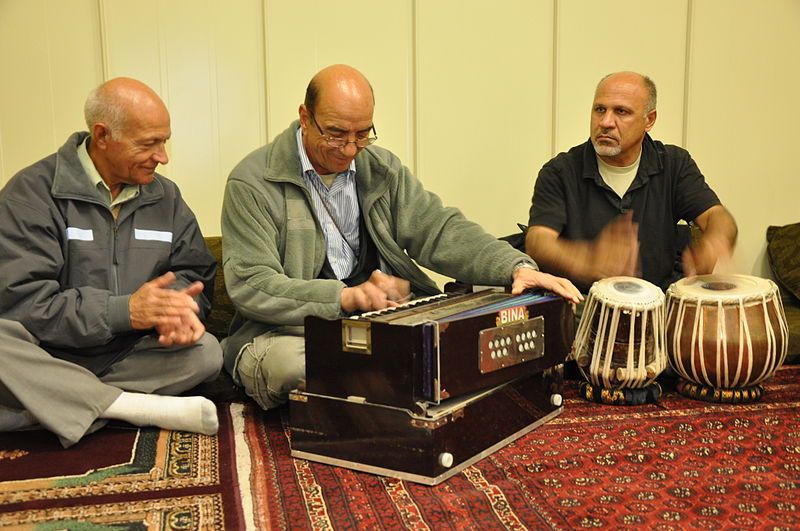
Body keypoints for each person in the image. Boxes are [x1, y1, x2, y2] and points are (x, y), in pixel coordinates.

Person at [221, 64, 583, 411]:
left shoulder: (380, 167)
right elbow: (252, 284)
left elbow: (438, 228)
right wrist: (345, 297)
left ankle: (378, 378)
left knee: (470, 335)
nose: (349, 149)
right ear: (304, 116)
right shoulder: (252, 182)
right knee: (292, 366)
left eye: (362, 134)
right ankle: (389, 378)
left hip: (380, 323)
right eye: (335, 133)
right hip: (288, 332)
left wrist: (513, 266)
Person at [0, 78, 222, 447]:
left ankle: (45, 407)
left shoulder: (165, 197)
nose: (163, 157)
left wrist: (180, 309)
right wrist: (124, 311)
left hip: (128, 357)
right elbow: (23, 304)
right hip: (46, 353)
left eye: (164, 141)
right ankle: (132, 408)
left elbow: (194, 272)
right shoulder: (31, 193)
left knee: (207, 353)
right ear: (102, 135)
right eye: (149, 143)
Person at [525, 71, 737, 293]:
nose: (606, 122)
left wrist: (715, 242)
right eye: (600, 110)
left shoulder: (674, 164)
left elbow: (717, 217)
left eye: (621, 112)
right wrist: (589, 259)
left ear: (650, 120)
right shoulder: (559, 171)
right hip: (584, 307)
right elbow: (539, 242)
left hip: (659, 307)